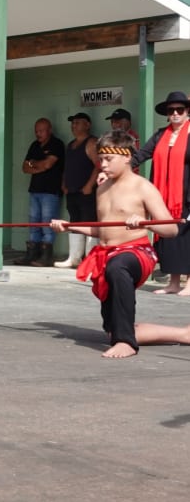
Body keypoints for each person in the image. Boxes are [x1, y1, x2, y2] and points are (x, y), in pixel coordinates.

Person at [49, 130, 177, 358]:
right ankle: (183, 334)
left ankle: (126, 342)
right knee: (112, 330)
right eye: (101, 159)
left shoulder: (143, 187)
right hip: (107, 253)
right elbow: (102, 229)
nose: (103, 164)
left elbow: (171, 229)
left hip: (137, 253)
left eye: (109, 159)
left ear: (127, 156)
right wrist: (70, 226)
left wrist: (145, 224)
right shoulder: (103, 187)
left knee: (117, 267)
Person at [133, 91, 190, 296]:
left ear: (187, 111)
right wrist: (118, 168)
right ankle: (173, 283)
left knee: (186, 238)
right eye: (171, 110)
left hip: (186, 196)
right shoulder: (160, 135)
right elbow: (141, 155)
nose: (175, 113)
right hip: (163, 196)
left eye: (180, 109)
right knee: (169, 239)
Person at [14, 118, 64, 265]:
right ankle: (32, 255)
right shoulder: (35, 145)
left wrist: (33, 164)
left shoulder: (56, 144)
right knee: (33, 223)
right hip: (34, 190)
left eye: (41, 130)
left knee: (47, 224)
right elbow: (24, 167)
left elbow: (48, 165)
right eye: (36, 131)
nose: (38, 134)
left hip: (50, 190)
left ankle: (46, 257)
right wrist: (38, 165)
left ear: (49, 130)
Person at [53, 113, 98, 268]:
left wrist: (89, 185)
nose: (74, 125)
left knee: (89, 224)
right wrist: (64, 183)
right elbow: (67, 167)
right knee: (74, 223)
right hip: (72, 191)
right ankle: (74, 258)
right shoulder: (71, 145)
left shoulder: (92, 142)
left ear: (87, 125)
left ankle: (90, 260)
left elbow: (99, 166)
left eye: (77, 122)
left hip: (87, 192)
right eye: (72, 123)